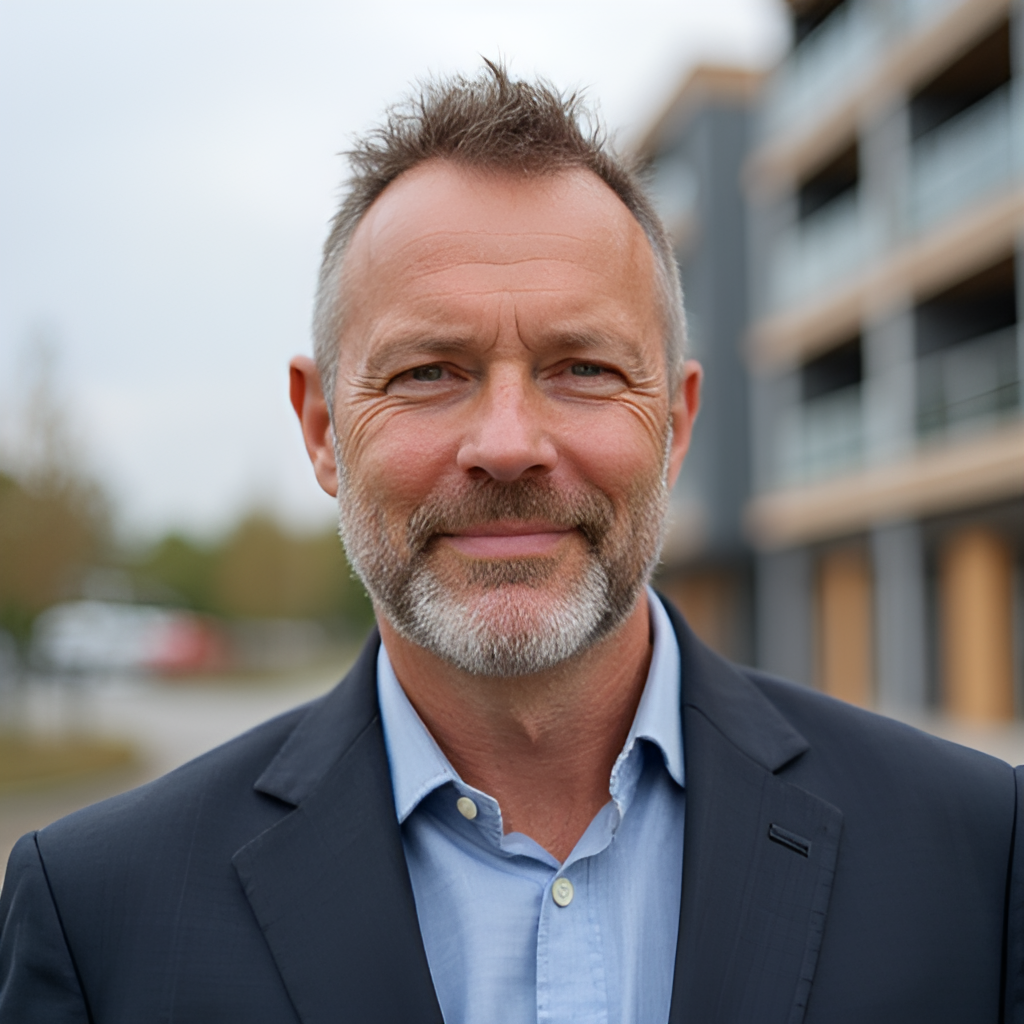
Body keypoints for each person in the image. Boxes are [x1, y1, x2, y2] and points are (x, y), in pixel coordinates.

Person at [1, 62, 1022, 1024]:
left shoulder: (977, 854)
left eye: (580, 368)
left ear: (675, 426)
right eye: (428, 372)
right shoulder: (98, 913)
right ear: (320, 429)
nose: (505, 446)